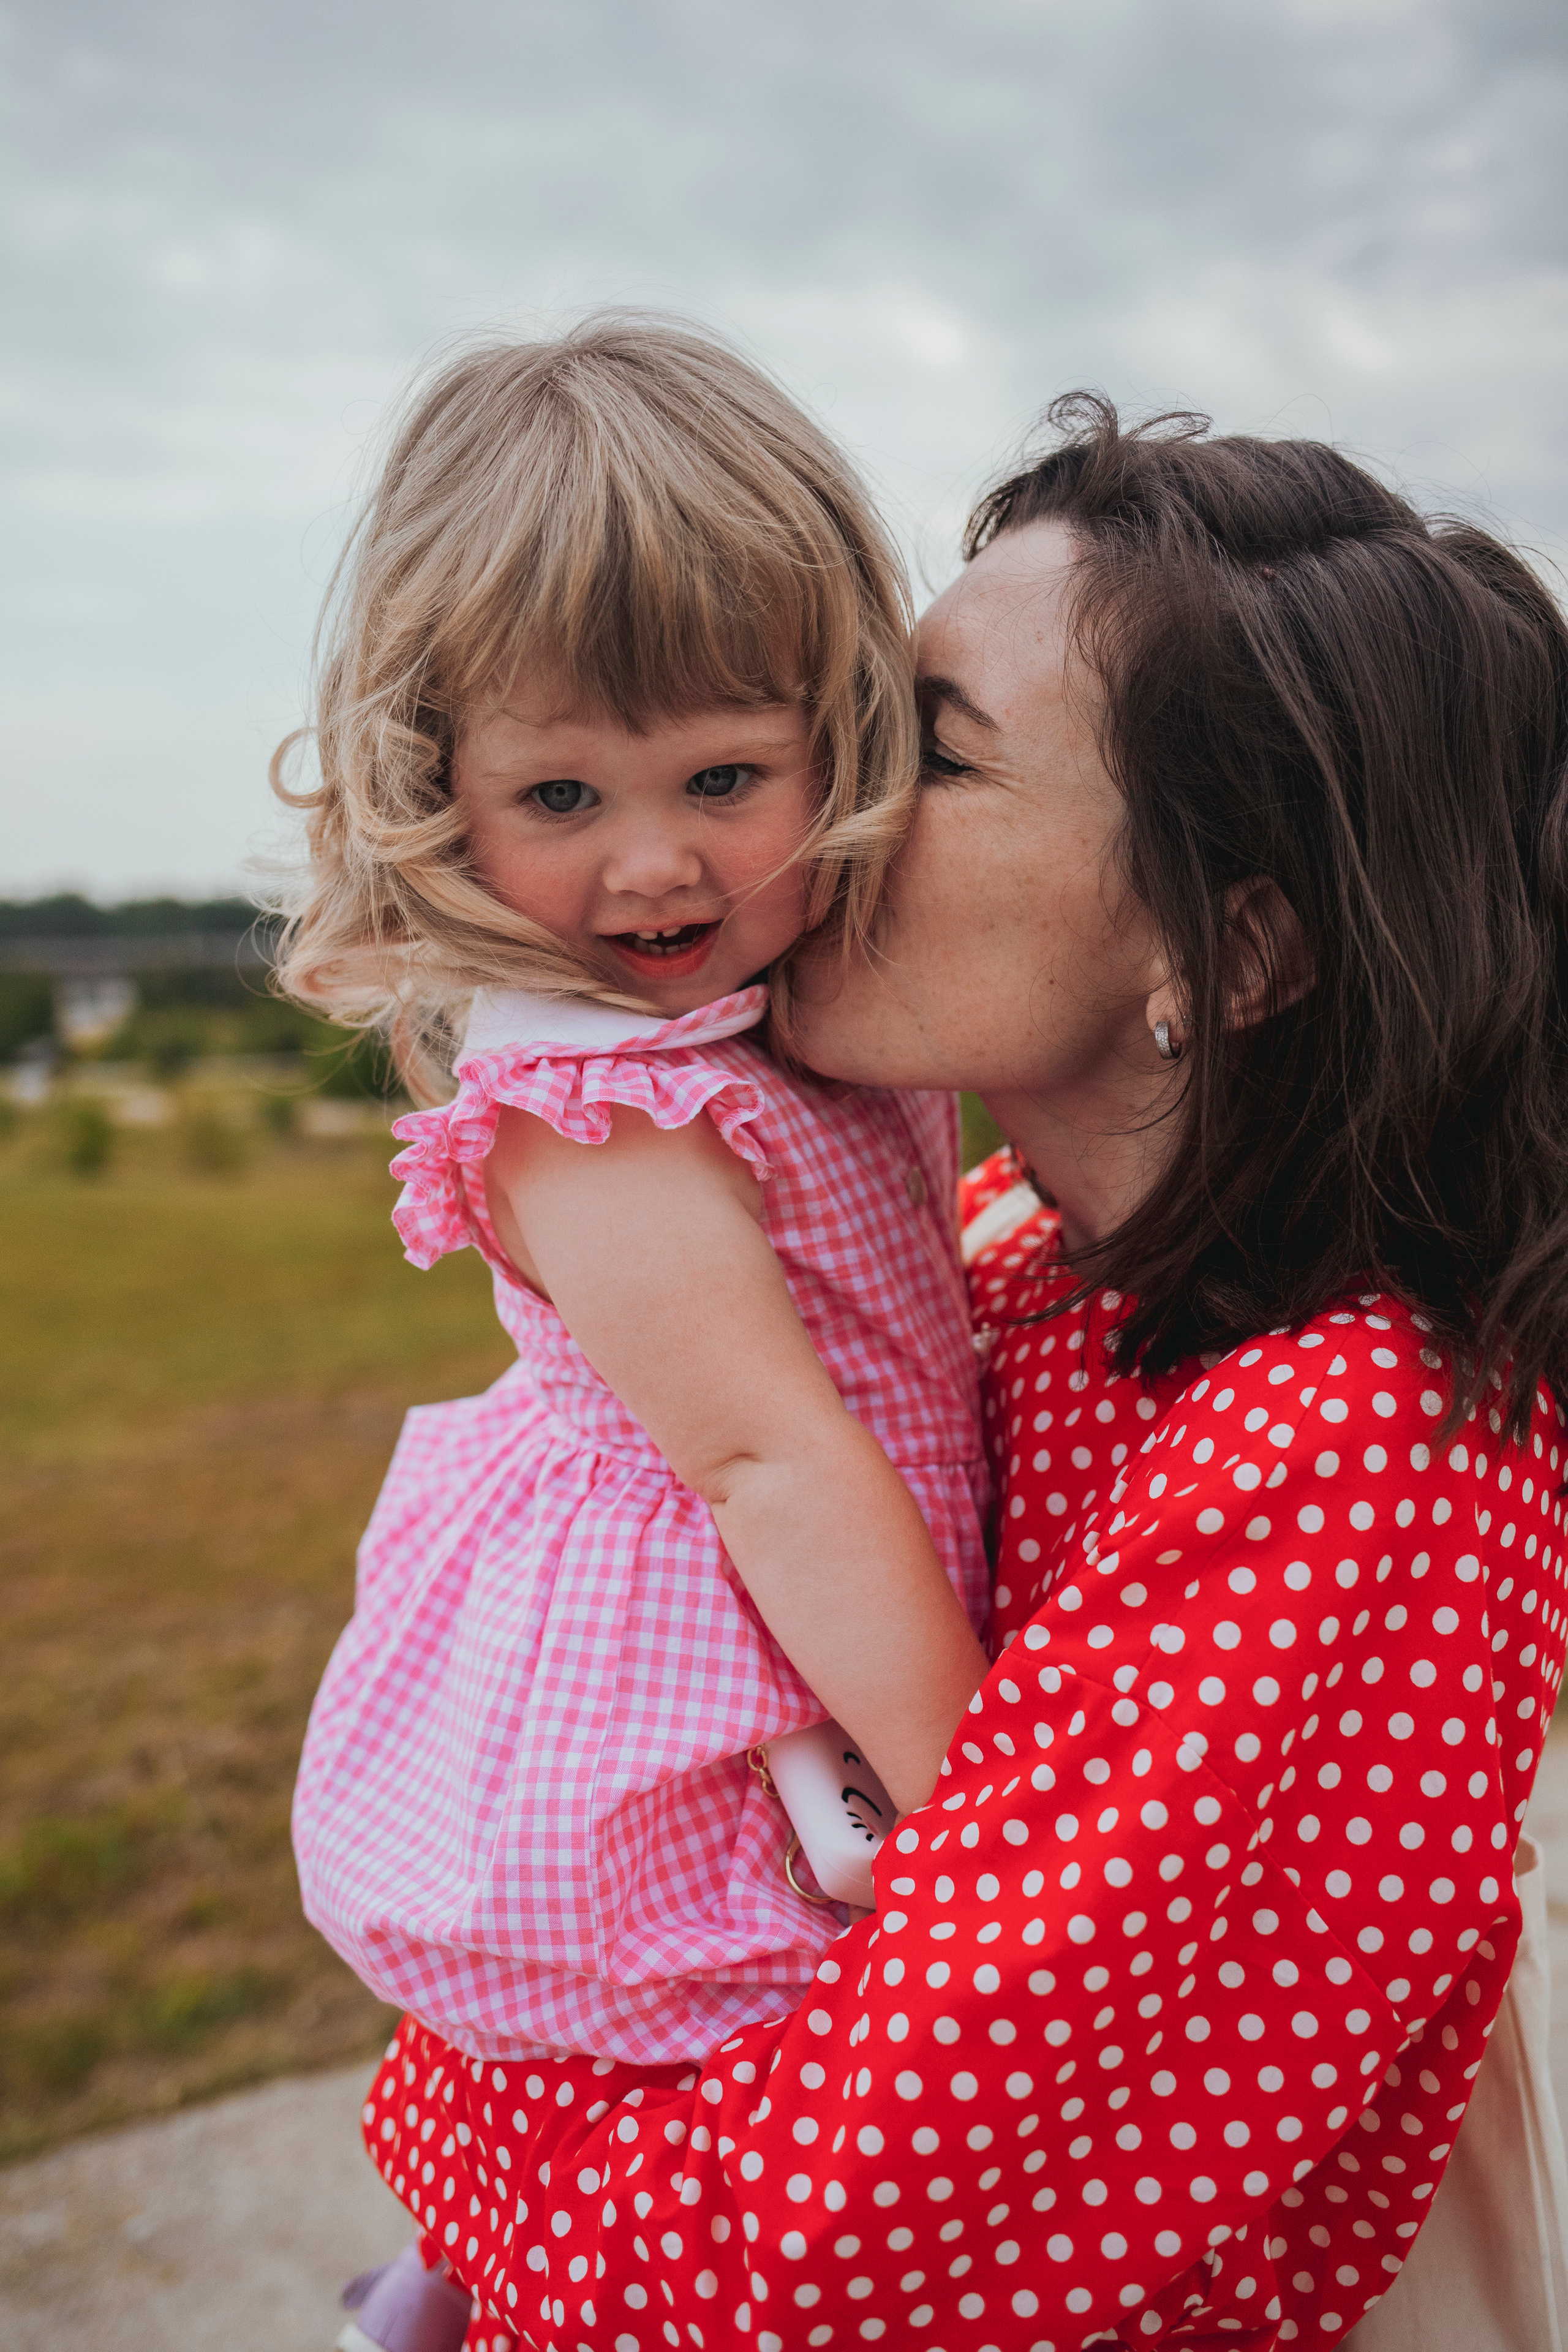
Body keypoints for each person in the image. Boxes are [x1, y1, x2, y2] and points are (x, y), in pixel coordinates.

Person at [358, 396, 1568, 2351]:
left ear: (1230, 952)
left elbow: (848, 2250)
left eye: (927, 749)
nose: (823, 809)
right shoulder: (1019, 1253)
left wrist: (455, 2117)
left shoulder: (1361, 1450)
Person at [277, 318, 994, 2346]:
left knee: (724, 2095)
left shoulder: (788, 1003)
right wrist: (979, 1815)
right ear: (443, 792)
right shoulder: (596, 1100)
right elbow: (767, 1456)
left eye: (726, 778)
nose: (655, 860)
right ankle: (460, 2300)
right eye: (564, 791)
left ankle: (461, 2283)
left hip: (826, 1601)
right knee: (718, 2056)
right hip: (711, 1659)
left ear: (835, 735)